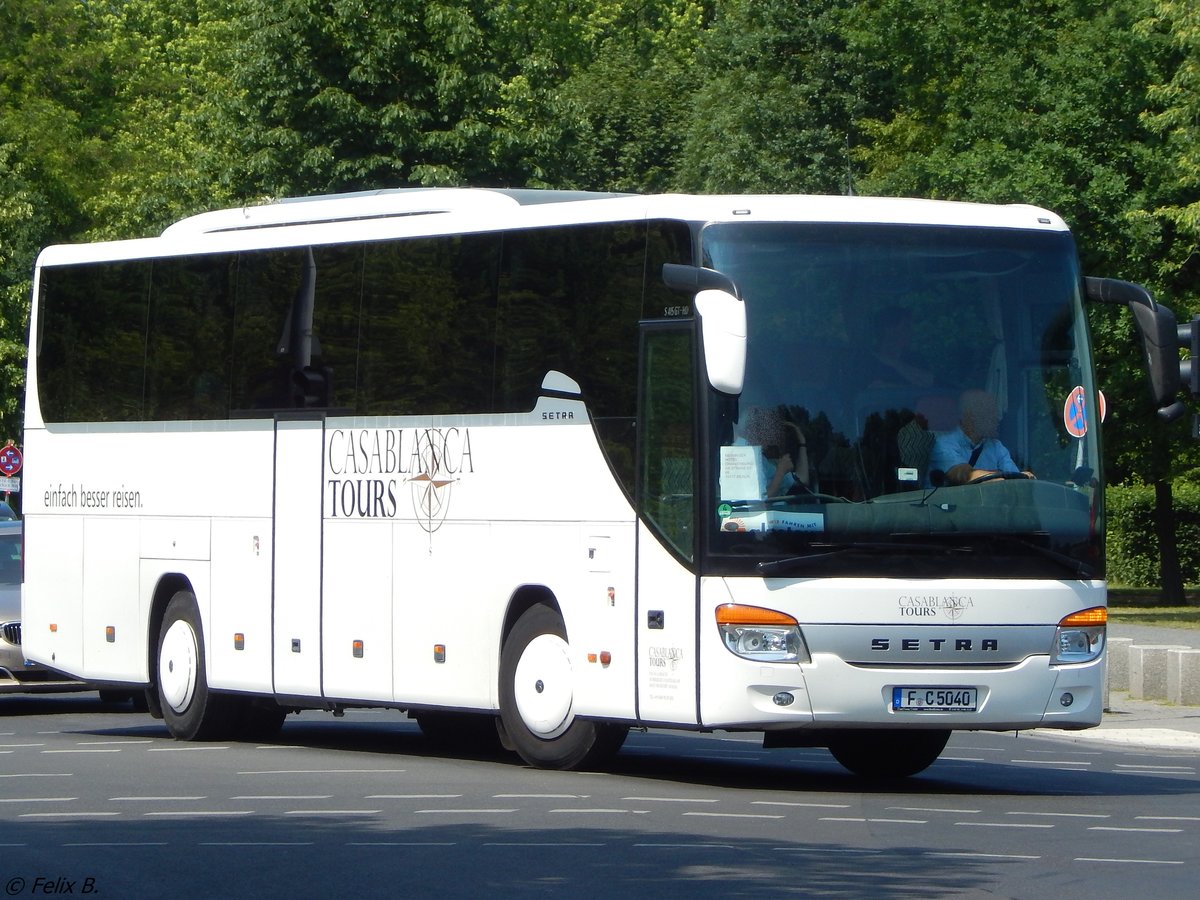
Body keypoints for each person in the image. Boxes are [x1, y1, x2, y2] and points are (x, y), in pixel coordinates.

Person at [929, 389, 1033, 485]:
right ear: (970, 417)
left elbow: (1016, 479)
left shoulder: (996, 446)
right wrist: (998, 475)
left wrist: (1022, 477)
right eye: (990, 412)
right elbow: (962, 475)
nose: (997, 417)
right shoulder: (943, 445)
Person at [741, 406, 809, 497]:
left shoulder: (762, 460)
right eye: (763, 428)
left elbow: (802, 480)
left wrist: (802, 442)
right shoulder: (742, 454)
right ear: (752, 429)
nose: (771, 434)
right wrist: (780, 471)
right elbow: (760, 501)